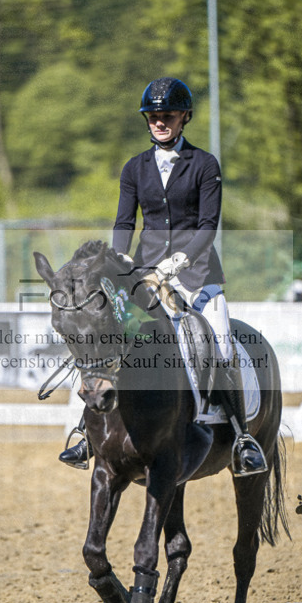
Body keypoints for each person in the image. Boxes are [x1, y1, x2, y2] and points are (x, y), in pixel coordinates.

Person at [60, 76, 266, 474]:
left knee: (221, 343)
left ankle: (242, 438)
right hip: (145, 276)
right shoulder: (134, 168)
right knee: (104, 341)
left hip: (197, 276)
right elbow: (124, 221)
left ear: (184, 117)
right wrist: (120, 258)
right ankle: (86, 434)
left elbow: (208, 225)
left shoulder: (204, 165)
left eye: (167, 115)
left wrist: (180, 262)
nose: (159, 121)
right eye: (152, 115)